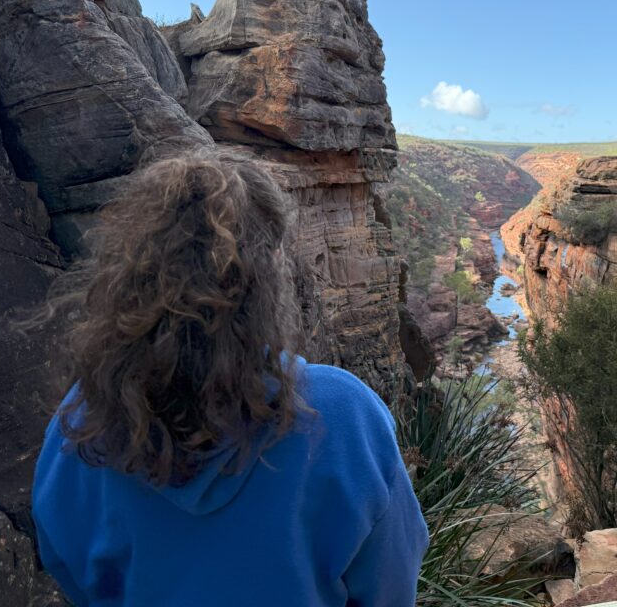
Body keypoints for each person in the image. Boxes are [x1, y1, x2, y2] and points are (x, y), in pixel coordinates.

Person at [32, 148, 428, 606]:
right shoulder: (343, 416)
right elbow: (391, 585)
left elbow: (67, 563)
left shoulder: (83, 421)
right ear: (271, 271)